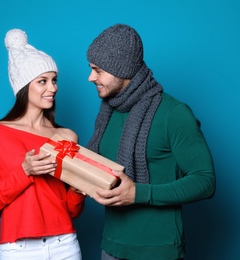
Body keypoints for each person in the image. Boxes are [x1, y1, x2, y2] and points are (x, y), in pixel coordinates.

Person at [85, 24, 216, 260]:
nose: (90, 77)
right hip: (111, 247)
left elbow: (205, 181)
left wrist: (138, 194)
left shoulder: (174, 113)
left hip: (157, 250)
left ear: (122, 69)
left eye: (98, 70)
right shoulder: (108, 112)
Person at [0, 28, 85, 260]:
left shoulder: (67, 136)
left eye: (54, 81)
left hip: (65, 244)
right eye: (42, 81)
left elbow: (72, 210)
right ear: (24, 86)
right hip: (19, 250)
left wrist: (79, 189)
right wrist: (25, 171)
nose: (52, 88)